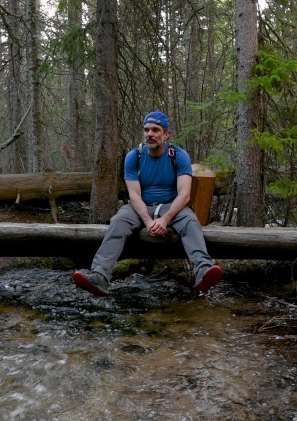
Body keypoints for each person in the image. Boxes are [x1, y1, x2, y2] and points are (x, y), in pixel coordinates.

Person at [72, 111, 223, 296]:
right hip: (140, 207)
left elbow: (184, 195)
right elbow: (134, 195)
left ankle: (203, 270)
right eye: (146, 130)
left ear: (166, 135)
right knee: (118, 221)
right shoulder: (134, 157)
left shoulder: (179, 156)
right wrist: (148, 221)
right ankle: (100, 276)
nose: (149, 134)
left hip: (171, 205)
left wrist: (165, 219)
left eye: (155, 130)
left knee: (190, 222)